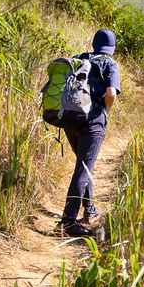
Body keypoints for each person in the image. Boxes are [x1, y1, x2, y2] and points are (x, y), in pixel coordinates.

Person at [58, 28, 121, 237]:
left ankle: (90, 209)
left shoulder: (78, 59)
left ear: (94, 44)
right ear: (111, 49)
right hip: (92, 122)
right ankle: (68, 221)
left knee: (83, 166)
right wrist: (105, 112)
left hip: (69, 118)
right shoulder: (110, 64)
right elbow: (110, 93)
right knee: (84, 168)